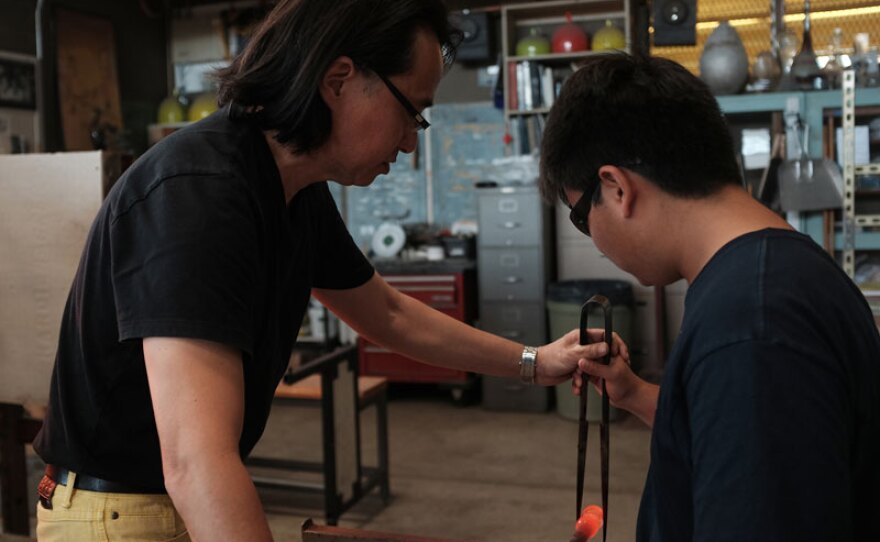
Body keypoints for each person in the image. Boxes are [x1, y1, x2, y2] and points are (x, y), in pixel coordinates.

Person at [32, 1, 604, 540]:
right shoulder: (200, 195)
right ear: (338, 80)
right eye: (413, 112)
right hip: (121, 515)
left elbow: (387, 313)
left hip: (168, 503)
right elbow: (194, 460)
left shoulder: (290, 187)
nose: (410, 142)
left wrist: (533, 361)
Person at [540, 52, 880, 542]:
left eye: (579, 215)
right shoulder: (770, 275)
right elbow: (731, 436)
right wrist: (633, 393)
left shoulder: (752, 326)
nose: (592, 238)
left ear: (615, 188)